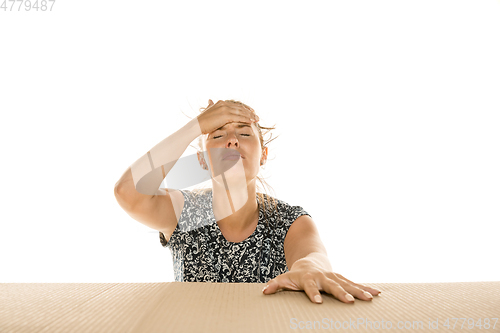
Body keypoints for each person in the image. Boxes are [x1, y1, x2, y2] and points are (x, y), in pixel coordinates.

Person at [114, 99, 381, 304]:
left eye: (244, 134)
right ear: (202, 161)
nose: (231, 140)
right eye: (217, 136)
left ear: (263, 155)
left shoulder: (289, 219)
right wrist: (196, 126)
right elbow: (128, 191)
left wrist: (309, 268)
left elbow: (312, 257)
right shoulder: (185, 211)